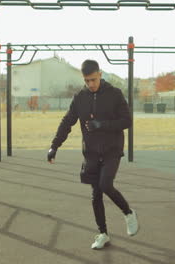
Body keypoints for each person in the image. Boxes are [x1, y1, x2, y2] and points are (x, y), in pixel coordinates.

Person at [47, 59, 139, 249]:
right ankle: (103, 233)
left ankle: (128, 213)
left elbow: (127, 120)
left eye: (93, 80)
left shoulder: (114, 94)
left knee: (105, 184)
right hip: (91, 152)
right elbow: (67, 123)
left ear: (100, 74)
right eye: (87, 81)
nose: (90, 84)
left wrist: (102, 125)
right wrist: (54, 146)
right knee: (96, 194)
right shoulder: (80, 97)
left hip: (111, 149)